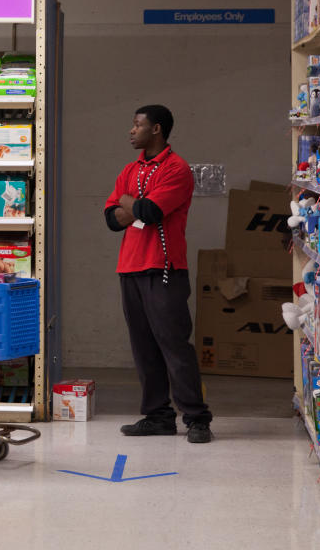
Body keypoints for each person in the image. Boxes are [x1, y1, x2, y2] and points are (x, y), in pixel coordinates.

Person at [104, 105, 213, 444]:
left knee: (174, 346)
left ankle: (197, 418)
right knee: (143, 347)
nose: (131, 130)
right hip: (130, 268)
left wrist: (131, 203)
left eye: (138, 125)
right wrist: (131, 204)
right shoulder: (129, 169)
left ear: (157, 129)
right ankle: (158, 416)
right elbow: (110, 218)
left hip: (164, 268)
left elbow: (149, 212)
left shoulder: (176, 169)